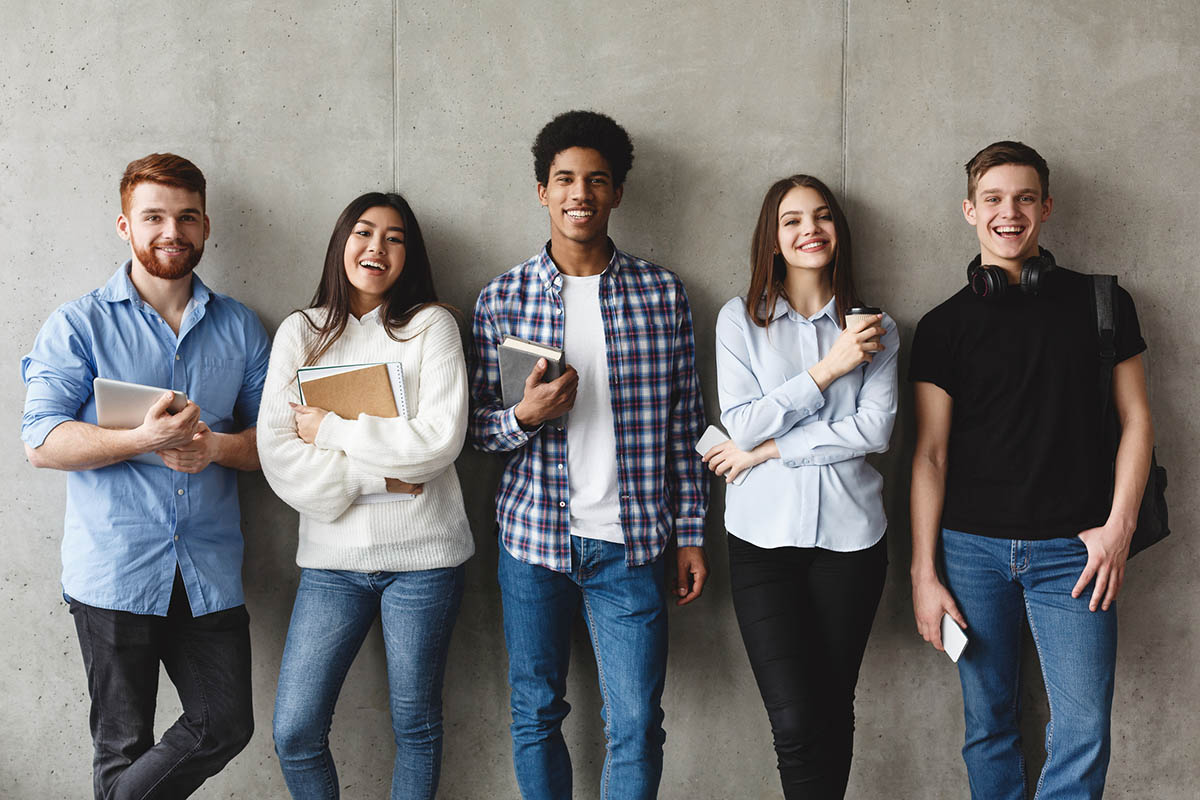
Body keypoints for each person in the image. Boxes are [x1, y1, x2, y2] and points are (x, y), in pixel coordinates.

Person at [468, 110, 708, 800]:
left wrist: (690, 535)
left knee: (635, 721)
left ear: (617, 193)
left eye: (597, 180)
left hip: (632, 546)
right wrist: (524, 416)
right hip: (532, 542)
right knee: (535, 711)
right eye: (565, 179)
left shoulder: (662, 295)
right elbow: (476, 433)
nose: (581, 193)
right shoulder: (501, 299)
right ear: (542, 191)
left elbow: (685, 425)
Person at [908, 141, 1154, 799]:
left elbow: (1137, 423)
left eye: (1023, 198)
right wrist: (923, 572)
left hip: (1074, 556)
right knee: (988, 725)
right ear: (969, 210)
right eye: (992, 199)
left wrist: (1118, 528)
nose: (1007, 213)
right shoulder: (942, 327)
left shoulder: (1103, 303)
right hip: (969, 556)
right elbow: (930, 456)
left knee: (1082, 727)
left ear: (1046, 207)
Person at [20, 153, 268, 799]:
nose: (171, 230)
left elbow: (275, 443)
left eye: (186, 216)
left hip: (208, 572)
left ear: (206, 226)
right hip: (114, 568)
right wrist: (142, 438)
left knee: (225, 723)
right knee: (120, 746)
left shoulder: (240, 327)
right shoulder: (77, 324)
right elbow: (40, 441)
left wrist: (215, 448)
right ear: (125, 225)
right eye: (154, 215)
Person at [257, 192, 473, 800]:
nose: (376, 248)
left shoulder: (432, 326)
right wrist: (375, 477)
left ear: (409, 254)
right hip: (332, 565)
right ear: (341, 243)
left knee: (416, 726)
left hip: (425, 562)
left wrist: (330, 431)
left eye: (395, 237)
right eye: (363, 232)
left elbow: (438, 441)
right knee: (296, 731)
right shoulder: (301, 332)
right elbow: (278, 455)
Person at [702, 174, 897, 799]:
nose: (809, 229)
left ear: (839, 232)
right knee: (793, 718)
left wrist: (769, 450)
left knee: (833, 706)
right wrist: (829, 369)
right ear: (774, 238)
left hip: (853, 543)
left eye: (822, 217)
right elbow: (740, 421)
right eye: (792, 220)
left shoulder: (879, 328)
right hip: (762, 543)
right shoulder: (739, 320)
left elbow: (875, 431)